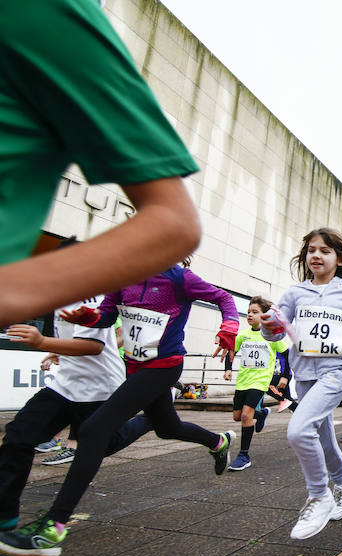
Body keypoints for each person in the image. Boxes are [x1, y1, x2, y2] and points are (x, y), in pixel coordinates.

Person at [0, 261, 239, 556]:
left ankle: (53, 526)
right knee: (167, 428)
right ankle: (218, 441)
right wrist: (89, 317)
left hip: (164, 367)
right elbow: (106, 318)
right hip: (135, 367)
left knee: (92, 430)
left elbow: (224, 298)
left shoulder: (178, 278)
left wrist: (229, 326)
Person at [0, 0, 203, 327]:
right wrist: (87, 324)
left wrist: (233, 324)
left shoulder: (42, 13)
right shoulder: (125, 286)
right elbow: (108, 316)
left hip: (160, 362)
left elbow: (175, 222)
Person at [0, 295, 152, 540]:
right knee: (18, 437)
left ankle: (149, 420)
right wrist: (57, 350)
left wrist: (41, 341)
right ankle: (5, 515)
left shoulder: (93, 297)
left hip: (99, 389)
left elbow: (94, 346)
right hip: (65, 386)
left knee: (104, 445)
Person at [260, 228, 342, 541]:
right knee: (323, 435)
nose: (316, 255)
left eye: (324, 250)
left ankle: (320, 496)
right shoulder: (294, 293)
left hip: (338, 371)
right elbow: (275, 333)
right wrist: (268, 327)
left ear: (339, 259)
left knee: (299, 430)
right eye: (311, 250)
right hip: (305, 375)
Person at [222, 296, 290, 471]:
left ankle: (244, 455)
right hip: (243, 381)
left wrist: (285, 376)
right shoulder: (242, 335)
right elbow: (231, 352)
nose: (250, 315)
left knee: (245, 416)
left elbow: (288, 355)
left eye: (255, 312)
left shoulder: (271, 335)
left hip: (260, 381)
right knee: (237, 416)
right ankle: (260, 414)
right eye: (249, 312)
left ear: (265, 315)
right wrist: (228, 369)